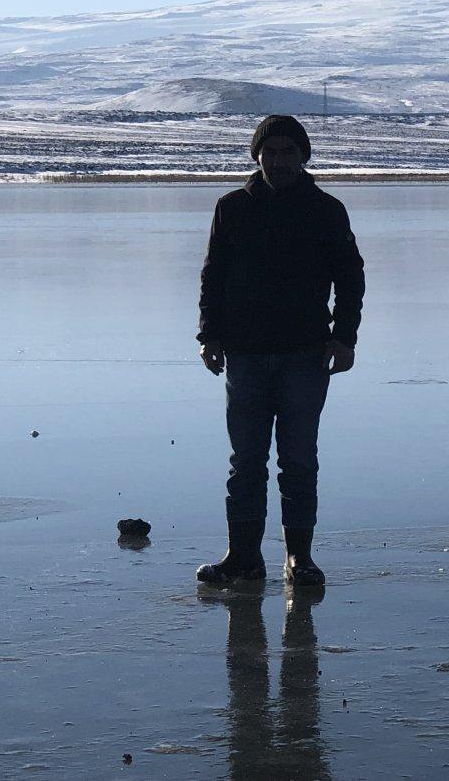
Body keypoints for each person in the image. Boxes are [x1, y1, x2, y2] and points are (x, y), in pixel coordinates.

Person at [196, 114, 365, 587]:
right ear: (256, 156)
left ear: (303, 156)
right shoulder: (232, 208)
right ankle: (243, 558)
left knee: (298, 459)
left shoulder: (325, 210)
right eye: (269, 152)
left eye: (288, 151)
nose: (278, 161)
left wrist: (344, 338)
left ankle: (300, 559)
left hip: (305, 355)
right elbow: (214, 276)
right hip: (245, 355)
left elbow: (350, 279)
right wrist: (209, 336)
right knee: (245, 460)